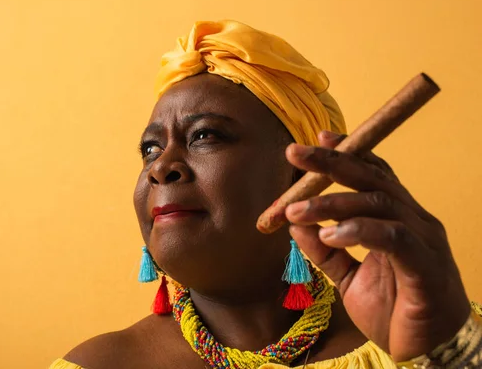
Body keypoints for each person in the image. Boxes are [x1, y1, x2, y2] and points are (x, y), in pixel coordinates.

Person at [49, 20, 482, 369]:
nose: (161, 167)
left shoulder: (426, 335)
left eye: (204, 135)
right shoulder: (97, 365)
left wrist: (450, 351)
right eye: (150, 149)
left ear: (300, 174)